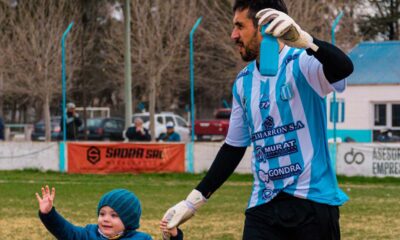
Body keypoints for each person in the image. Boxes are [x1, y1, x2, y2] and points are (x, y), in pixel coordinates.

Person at [162, 1, 354, 239]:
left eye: (239, 26)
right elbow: (233, 148)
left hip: (312, 203)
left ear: (265, 26)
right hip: (263, 206)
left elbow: (343, 67)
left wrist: (307, 41)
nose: (233, 35)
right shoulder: (243, 82)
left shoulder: (302, 62)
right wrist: (192, 201)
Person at [36, 186, 183, 240]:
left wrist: (175, 236)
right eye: (102, 213)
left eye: (114, 215)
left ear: (128, 220)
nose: (106, 219)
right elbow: (64, 231)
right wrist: (49, 214)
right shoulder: (88, 234)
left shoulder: (141, 238)